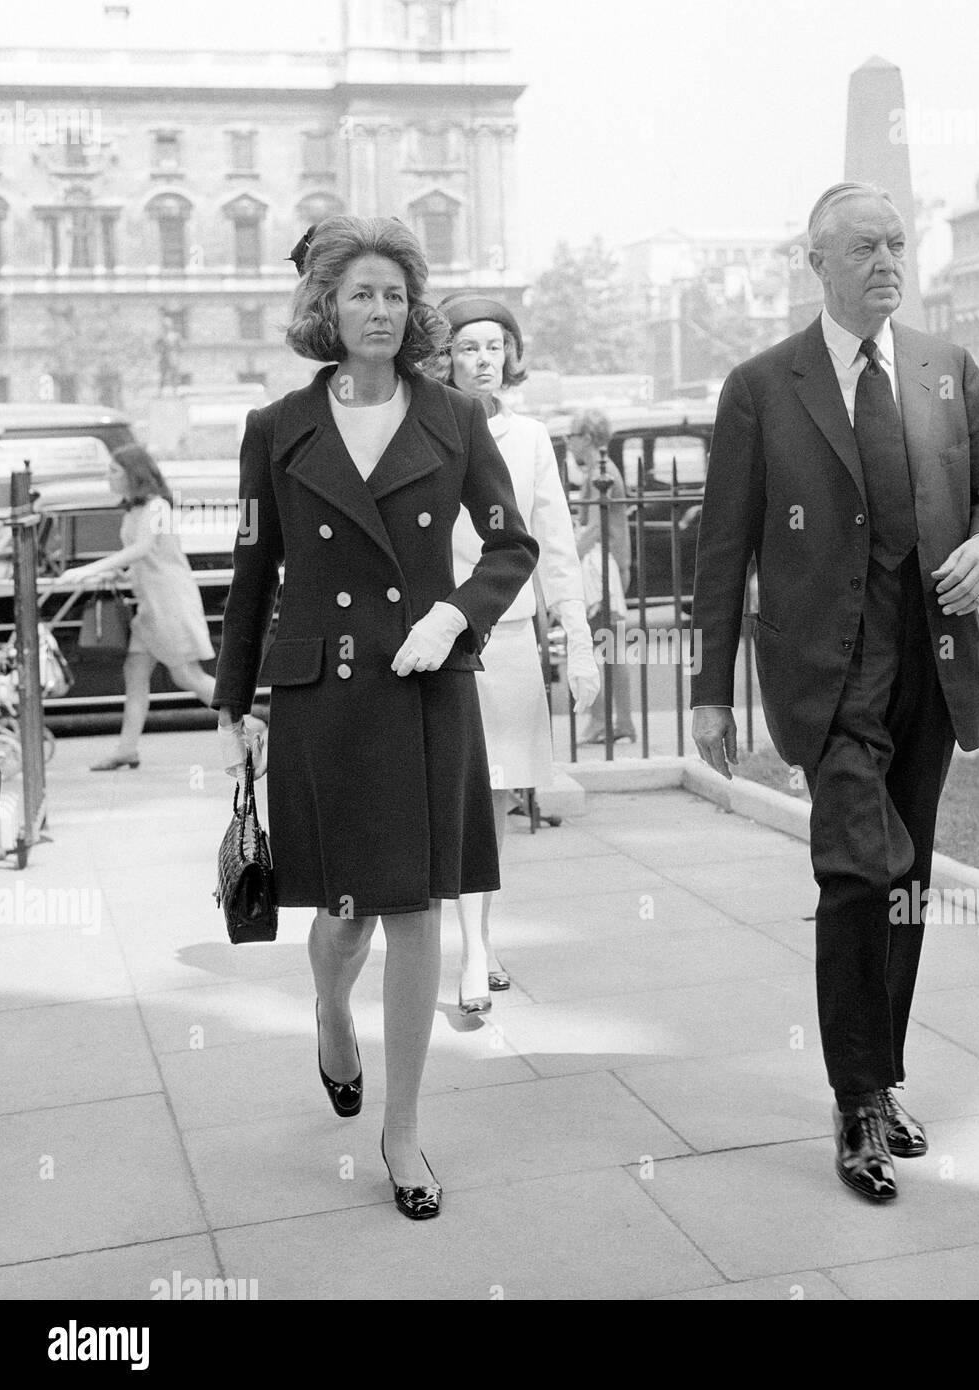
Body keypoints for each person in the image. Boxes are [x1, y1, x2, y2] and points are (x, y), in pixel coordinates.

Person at [690, 182, 979, 1204]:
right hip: (830, 675)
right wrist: (709, 690)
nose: (886, 260)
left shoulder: (947, 369)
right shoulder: (761, 385)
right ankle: (857, 1099)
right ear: (815, 260)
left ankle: (883, 1071)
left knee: (909, 872)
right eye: (863, 246)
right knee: (856, 873)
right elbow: (722, 547)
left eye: (896, 243)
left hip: (933, 661)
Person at [212, 216, 538, 1220]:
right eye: (360, 293)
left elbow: (509, 545)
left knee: (417, 909)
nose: (381, 311)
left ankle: (402, 1131)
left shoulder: (453, 414)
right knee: (342, 920)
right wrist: (236, 703)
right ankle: (330, 1016)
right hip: (322, 695)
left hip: (423, 683)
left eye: (396, 295)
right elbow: (256, 573)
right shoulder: (276, 428)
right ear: (325, 306)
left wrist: (453, 616)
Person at [439, 294, 600, 1012]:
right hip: (437, 640)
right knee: (445, 796)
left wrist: (578, 638)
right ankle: (452, 939)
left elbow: (555, 543)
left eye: (493, 346)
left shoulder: (531, 438)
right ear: (444, 356)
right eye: (467, 346)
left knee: (496, 795)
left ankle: (479, 946)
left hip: (505, 640)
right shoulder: (425, 427)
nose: (482, 359)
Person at [50, 444, 257, 771]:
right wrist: (121, 572)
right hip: (150, 605)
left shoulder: (157, 508)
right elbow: (146, 556)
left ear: (135, 474)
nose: (109, 477)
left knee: (187, 676)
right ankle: (126, 749)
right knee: (136, 674)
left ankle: (249, 724)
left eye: (114, 471)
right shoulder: (135, 510)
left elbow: (144, 548)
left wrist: (91, 569)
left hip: (169, 603)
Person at [569, 409, 636, 744]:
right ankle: (618, 722)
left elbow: (595, 528)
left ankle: (605, 722)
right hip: (610, 565)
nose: (569, 442)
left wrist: (567, 560)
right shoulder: (601, 470)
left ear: (588, 436)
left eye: (572, 434)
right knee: (607, 647)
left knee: (600, 646)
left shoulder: (600, 471)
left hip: (602, 567)